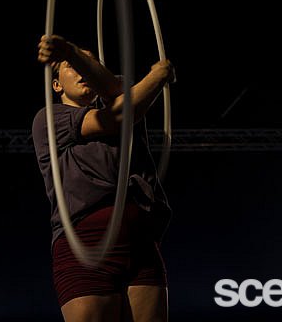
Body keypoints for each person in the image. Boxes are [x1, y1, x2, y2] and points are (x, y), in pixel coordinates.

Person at [31, 34, 175, 322]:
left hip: (140, 243)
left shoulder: (128, 97)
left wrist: (72, 53)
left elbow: (121, 96)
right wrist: (158, 76)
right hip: (87, 245)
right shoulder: (49, 119)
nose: (81, 69)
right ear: (56, 85)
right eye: (71, 66)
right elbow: (117, 117)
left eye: (88, 64)